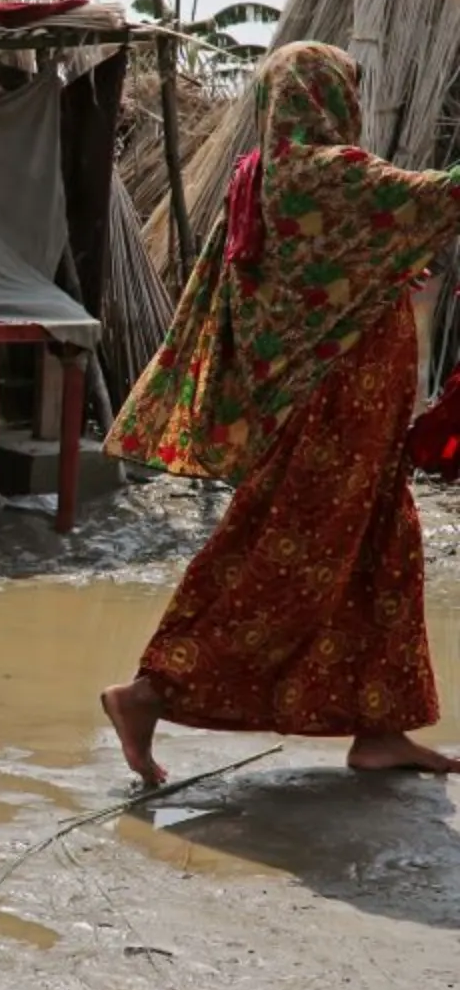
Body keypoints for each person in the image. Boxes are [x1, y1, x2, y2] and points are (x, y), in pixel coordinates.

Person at [101, 42, 460, 786]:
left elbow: (321, 271)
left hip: (329, 408)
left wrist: (389, 265)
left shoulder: (259, 176)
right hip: (336, 409)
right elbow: (439, 197)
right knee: (288, 561)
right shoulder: (329, 172)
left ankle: (380, 729)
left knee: (381, 552)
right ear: (325, 95)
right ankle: (149, 693)